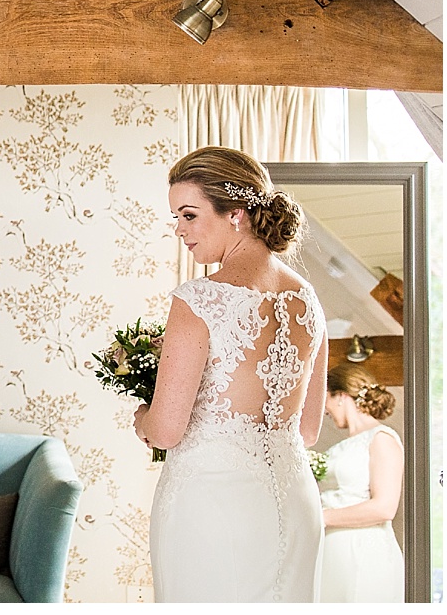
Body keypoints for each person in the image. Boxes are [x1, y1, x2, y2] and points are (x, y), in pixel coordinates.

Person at [134, 146, 326, 602]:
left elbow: (165, 431)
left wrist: (142, 416)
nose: (179, 230)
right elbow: (309, 430)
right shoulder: (310, 302)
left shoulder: (200, 299)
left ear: (235, 213)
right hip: (296, 502)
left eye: (188, 215)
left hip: (213, 507)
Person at [315, 363, 403, 602]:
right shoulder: (338, 448)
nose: (324, 410)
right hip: (332, 555)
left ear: (341, 396)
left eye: (326, 399)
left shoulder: (381, 439)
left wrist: (320, 517)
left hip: (364, 552)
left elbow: (384, 507)